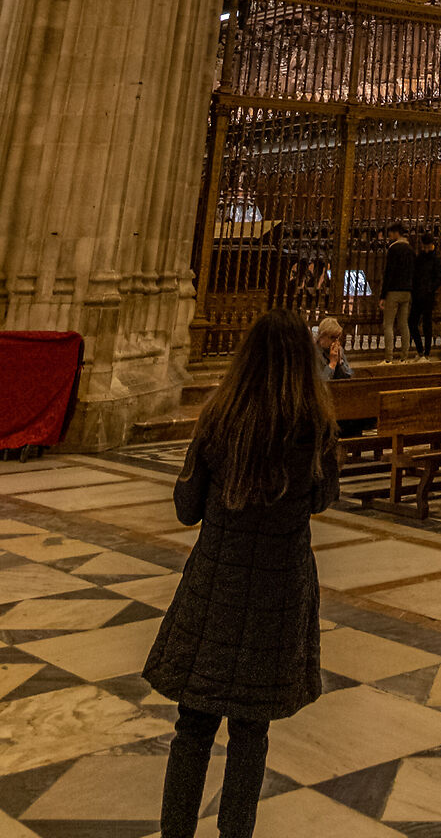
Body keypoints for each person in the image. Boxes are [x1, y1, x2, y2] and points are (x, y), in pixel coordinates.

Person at [145, 309, 339, 838]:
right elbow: (323, 498)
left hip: (216, 586)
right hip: (279, 590)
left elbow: (186, 508)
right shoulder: (315, 427)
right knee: (251, 732)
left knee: (193, 727)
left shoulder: (220, 420)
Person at [380, 224, 413, 360]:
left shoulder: (394, 249)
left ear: (396, 233)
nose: (389, 236)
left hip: (393, 290)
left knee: (388, 324)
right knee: (403, 324)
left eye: (390, 233)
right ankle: (404, 356)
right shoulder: (410, 249)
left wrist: (383, 295)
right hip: (407, 291)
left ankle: (389, 357)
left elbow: (389, 273)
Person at [409, 231, 441, 358]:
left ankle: (427, 352)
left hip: (428, 296)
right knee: (412, 322)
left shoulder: (435, 259)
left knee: (427, 324)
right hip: (417, 295)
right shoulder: (419, 258)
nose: (426, 249)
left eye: (428, 246)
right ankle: (420, 349)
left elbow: (440, 277)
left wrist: (430, 288)